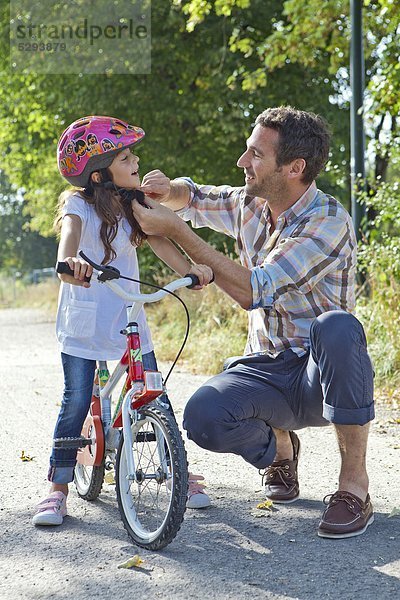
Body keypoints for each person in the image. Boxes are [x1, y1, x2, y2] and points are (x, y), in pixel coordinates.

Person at [131, 106, 375, 539]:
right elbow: (195, 197)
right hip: (267, 369)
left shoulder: (327, 221)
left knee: (336, 326)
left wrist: (177, 232)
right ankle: (281, 448)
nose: (243, 162)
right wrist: (170, 190)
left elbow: (254, 290)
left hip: (319, 376)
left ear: (294, 168)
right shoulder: (252, 203)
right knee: (204, 416)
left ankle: (353, 487)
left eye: (255, 155)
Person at [32, 116, 213, 527]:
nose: (136, 161)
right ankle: (58, 487)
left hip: (127, 313)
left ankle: (177, 471)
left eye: (133, 154)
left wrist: (191, 269)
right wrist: (70, 262)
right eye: (126, 157)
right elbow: (70, 238)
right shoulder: (78, 204)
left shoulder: (135, 204)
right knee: (77, 399)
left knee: (152, 389)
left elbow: (161, 241)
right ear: (99, 174)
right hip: (84, 319)